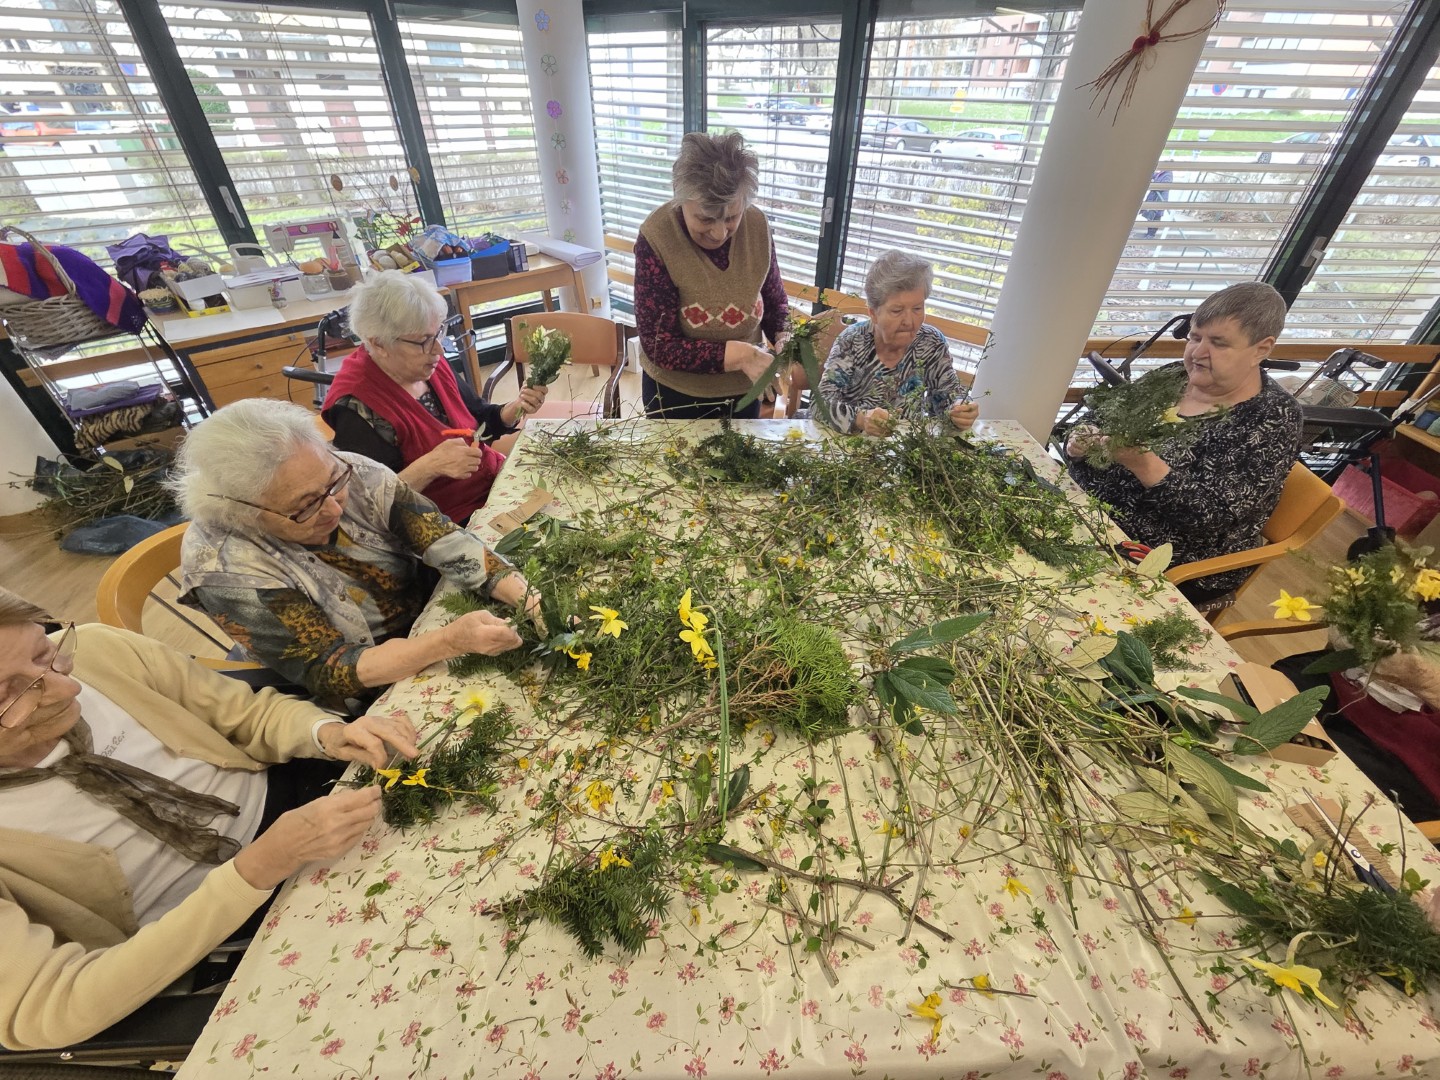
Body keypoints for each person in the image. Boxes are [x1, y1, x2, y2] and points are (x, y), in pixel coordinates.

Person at [0, 591, 421, 1050]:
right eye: (10, 693)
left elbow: (246, 714)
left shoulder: (101, 652)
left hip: (297, 803)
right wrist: (256, 870)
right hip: (206, 932)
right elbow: (49, 1008)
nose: (68, 688)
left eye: (46, 653)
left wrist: (327, 732)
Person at [170, 399, 544, 714]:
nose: (334, 508)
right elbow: (330, 668)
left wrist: (528, 598)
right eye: (306, 506)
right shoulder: (224, 567)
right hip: (356, 685)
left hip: (424, 616)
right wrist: (447, 642)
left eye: (333, 484)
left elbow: (442, 539)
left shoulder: (350, 471)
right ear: (243, 512)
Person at [1064, 281, 1302, 607]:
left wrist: (1145, 465)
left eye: (1218, 343)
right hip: (1087, 508)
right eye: (1195, 337)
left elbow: (1211, 518)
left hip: (1165, 555)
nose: (1197, 352)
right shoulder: (1174, 375)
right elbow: (1098, 417)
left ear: (1261, 349)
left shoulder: (1272, 418)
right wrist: (1079, 440)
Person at [321, 271, 547, 526]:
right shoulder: (356, 406)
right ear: (379, 344)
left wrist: (514, 409)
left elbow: (478, 419)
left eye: (438, 333)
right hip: (444, 521)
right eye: (423, 340)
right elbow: (370, 506)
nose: (439, 349)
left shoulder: (426, 361)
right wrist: (430, 466)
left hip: (492, 486)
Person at [634, 131, 789, 419]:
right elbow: (660, 346)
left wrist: (784, 336)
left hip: (744, 391)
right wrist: (742, 355)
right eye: (705, 218)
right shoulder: (657, 237)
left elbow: (775, 300)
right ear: (680, 198)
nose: (719, 233)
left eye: (731, 217)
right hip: (675, 395)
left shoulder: (757, 225)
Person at [816, 250, 979, 436]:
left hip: (909, 445)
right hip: (851, 443)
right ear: (873, 313)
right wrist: (861, 419)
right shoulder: (852, 341)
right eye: (897, 311)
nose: (909, 321)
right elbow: (820, 402)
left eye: (917, 308)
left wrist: (960, 409)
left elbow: (949, 396)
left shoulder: (931, 343)